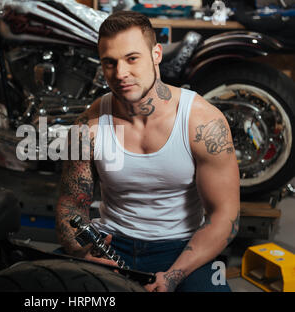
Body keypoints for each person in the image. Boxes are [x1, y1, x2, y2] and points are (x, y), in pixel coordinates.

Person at [55, 11, 240, 292]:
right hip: (111, 242)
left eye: (132, 59)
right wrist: (79, 250)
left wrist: (174, 275)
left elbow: (225, 215)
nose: (120, 74)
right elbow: (70, 204)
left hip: (184, 247)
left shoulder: (201, 121)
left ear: (156, 54)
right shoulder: (88, 124)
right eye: (110, 63)